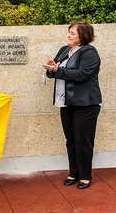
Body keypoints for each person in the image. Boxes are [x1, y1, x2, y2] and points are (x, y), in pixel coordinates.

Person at [43, 22, 101, 190]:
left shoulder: (89, 52)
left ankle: (85, 176)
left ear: (83, 35)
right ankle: (74, 172)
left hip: (86, 104)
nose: (68, 35)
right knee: (71, 140)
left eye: (72, 33)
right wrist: (50, 69)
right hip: (66, 103)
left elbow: (82, 74)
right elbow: (55, 70)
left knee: (83, 141)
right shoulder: (64, 50)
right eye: (68, 32)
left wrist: (57, 70)